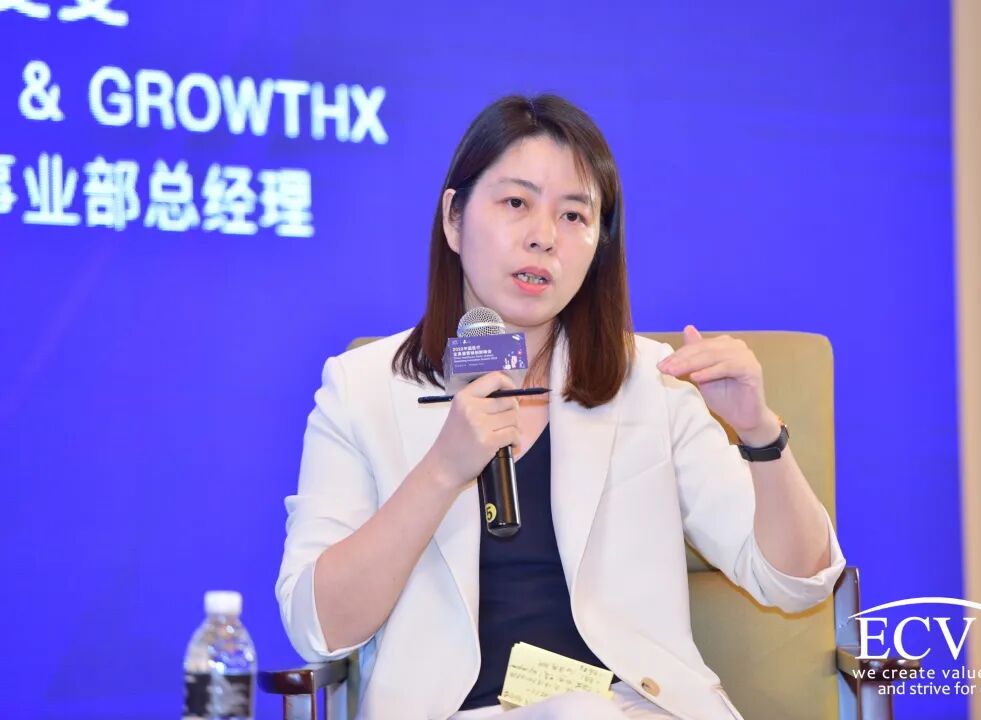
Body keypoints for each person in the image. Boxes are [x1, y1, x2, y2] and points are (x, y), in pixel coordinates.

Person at [276, 94, 846, 720]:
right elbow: (318, 627)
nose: (543, 236)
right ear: (454, 218)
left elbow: (796, 582)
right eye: (516, 203)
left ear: (599, 243)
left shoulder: (652, 383)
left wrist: (759, 433)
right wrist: (441, 471)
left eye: (574, 215)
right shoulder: (360, 389)